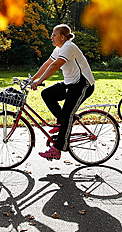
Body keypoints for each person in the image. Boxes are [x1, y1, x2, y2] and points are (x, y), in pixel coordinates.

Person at [30, 24, 95, 160]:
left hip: (83, 84)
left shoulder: (68, 47)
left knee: (67, 113)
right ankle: (62, 124)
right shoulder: (59, 49)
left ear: (62, 37)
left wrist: (39, 81)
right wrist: (33, 79)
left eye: (54, 35)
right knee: (47, 94)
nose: (51, 37)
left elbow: (55, 65)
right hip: (70, 84)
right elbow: (48, 63)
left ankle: (58, 149)